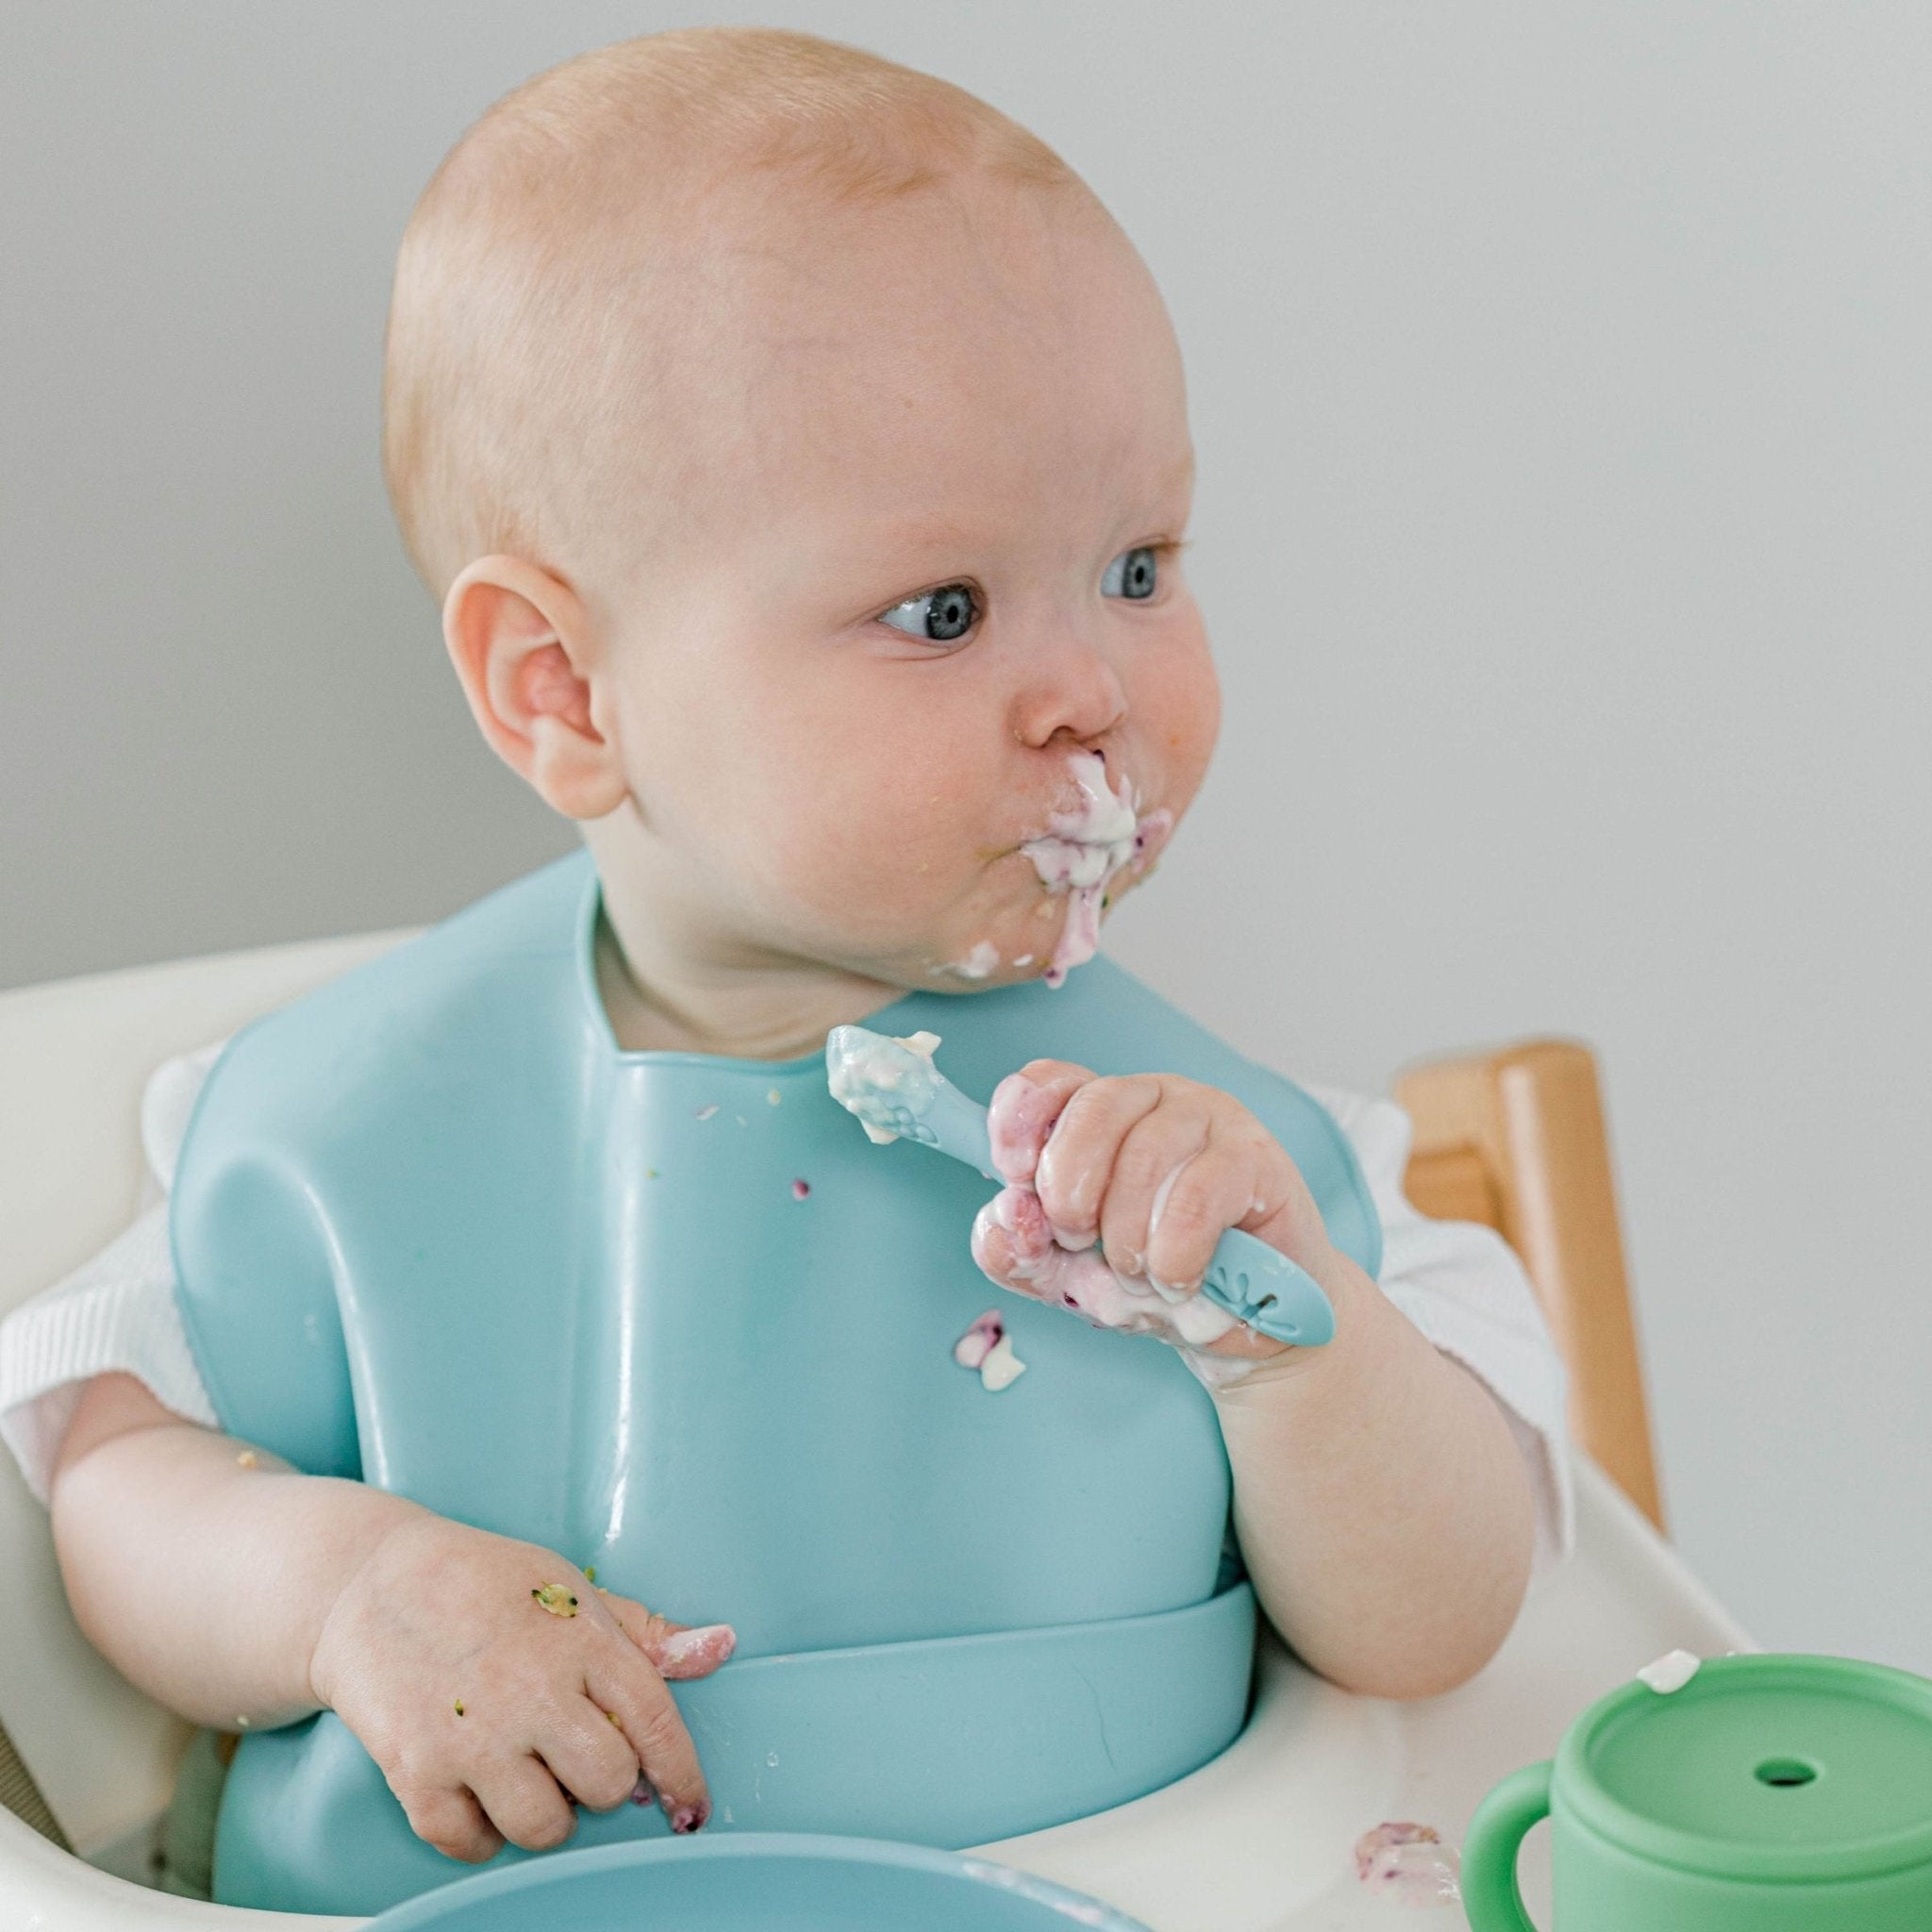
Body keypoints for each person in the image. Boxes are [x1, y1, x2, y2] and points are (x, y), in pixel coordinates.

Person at [0, 25, 1571, 1912]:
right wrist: (339, 1588)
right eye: (943, 610)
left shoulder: (1235, 1171)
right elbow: (100, 1460)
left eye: (1140, 564)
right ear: (563, 691)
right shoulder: (334, 1127)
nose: (1094, 686)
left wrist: (1281, 1341)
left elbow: (1444, 1623)